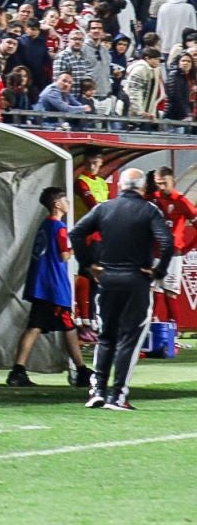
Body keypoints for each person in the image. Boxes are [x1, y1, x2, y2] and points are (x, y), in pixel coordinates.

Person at [70, 167, 173, 410]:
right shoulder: (149, 211)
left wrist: (89, 265)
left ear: (120, 186)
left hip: (107, 279)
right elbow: (167, 242)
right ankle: (117, 396)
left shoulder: (104, 208)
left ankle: (97, 390)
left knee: (106, 337)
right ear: (143, 188)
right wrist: (158, 272)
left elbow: (75, 233)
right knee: (129, 339)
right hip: (136, 280)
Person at [8, 186, 91, 389]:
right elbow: (63, 255)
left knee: (37, 326)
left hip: (41, 285)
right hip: (53, 287)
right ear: (57, 204)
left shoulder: (44, 225)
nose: (68, 203)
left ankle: (18, 370)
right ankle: (81, 371)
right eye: (65, 200)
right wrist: (78, 246)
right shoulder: (59, 227)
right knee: (66, 326)